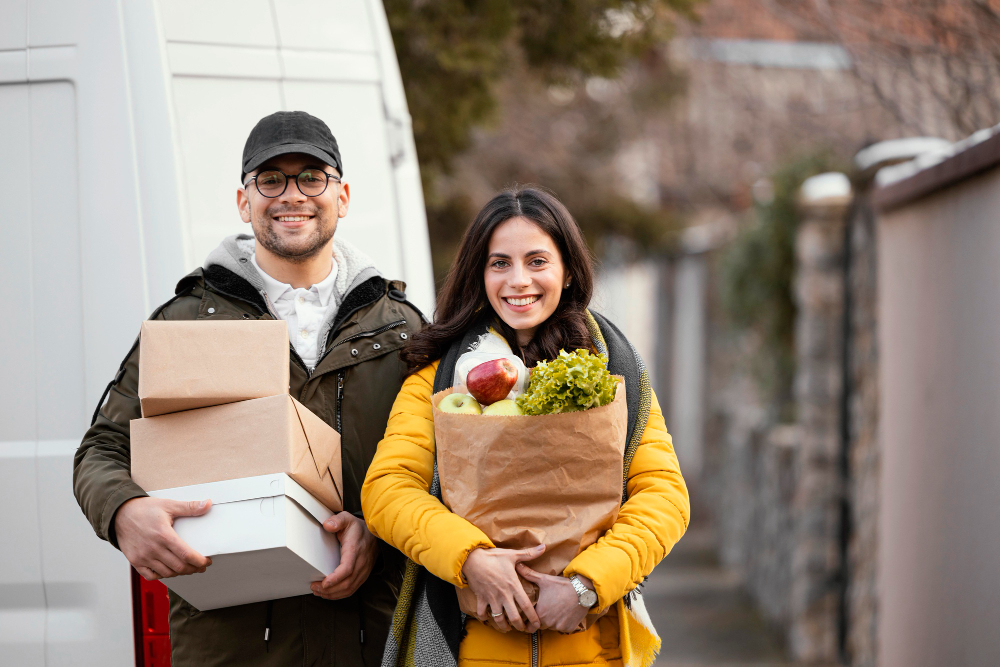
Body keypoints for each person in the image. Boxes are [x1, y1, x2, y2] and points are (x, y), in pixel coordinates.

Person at [74, 110, 424, 666]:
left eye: (312, 177)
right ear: (244, 201)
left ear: (344, 195)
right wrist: (122, 511)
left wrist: (380, 531)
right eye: (271, 179)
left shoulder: (403, 329)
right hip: (233, 648)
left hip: (368, 639)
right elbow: (101, 450)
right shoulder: (186, 321)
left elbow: (440, 472)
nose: (292, 195)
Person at [361, 187, 690, 667]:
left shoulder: (613, 366)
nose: (519, 281)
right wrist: (470, 560)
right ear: (480, 271)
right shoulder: (440, 373)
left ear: (568, 269)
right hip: (466, 648)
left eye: (537, 261)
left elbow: (664, 495)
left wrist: (587, 585)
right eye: (500, 263)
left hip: (593, 650)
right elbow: (388, 489)